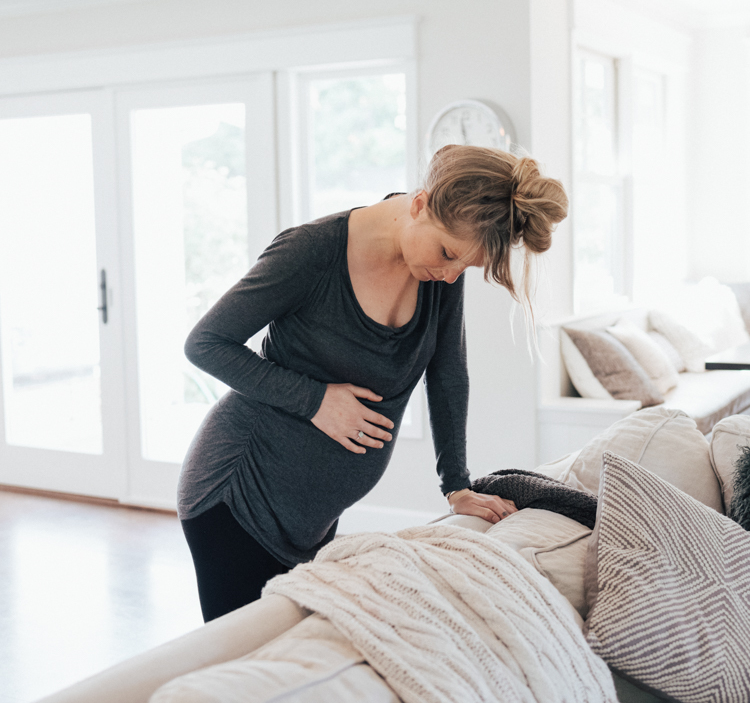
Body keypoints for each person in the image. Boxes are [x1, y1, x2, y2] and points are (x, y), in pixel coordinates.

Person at [177, 144, 569, 622]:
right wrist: (315, 400)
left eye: (464, 267)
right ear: (421, 203)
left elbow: (447, 374)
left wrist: (456, 486)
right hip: (239, 495)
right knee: (241, 670)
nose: (449, 276)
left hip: (310, 516)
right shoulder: (311, 251)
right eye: (447, 254)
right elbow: (206, 342)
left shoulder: (439, 273)